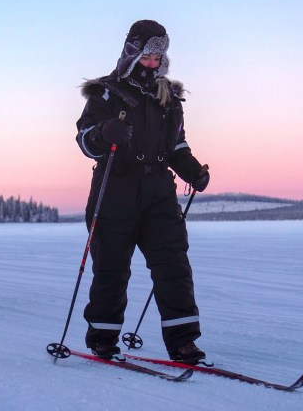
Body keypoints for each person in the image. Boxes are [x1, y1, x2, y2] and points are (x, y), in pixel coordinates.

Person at [75, 20, 210, 363]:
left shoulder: (169, 97)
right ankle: (103, 338)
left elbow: (177, 145)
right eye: (148, 56)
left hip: (158, 191)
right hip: (115, 188)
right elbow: (85, 141)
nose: (153, 63)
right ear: (132, 53)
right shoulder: (106, 92)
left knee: (173, 264)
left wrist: (192, 170)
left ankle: (183, 341)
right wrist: (106, 133)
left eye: (159, 57)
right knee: (112, 268)